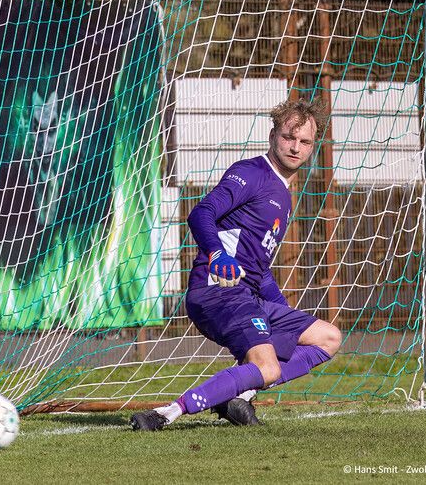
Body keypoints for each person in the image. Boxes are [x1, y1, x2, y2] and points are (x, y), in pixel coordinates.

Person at [131, 99, 342, 431]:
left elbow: (259, 267)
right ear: (273, 135)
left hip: (248, 295)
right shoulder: (251, 174)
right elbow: (201, 213)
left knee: (327, 337)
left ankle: (239, 396)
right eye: (289, 137)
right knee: (268, 367)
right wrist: (217, 253)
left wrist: (282, 311)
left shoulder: (284, 195)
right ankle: (166, 412)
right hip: (219, 293)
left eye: (304, 142)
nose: (295, 147)